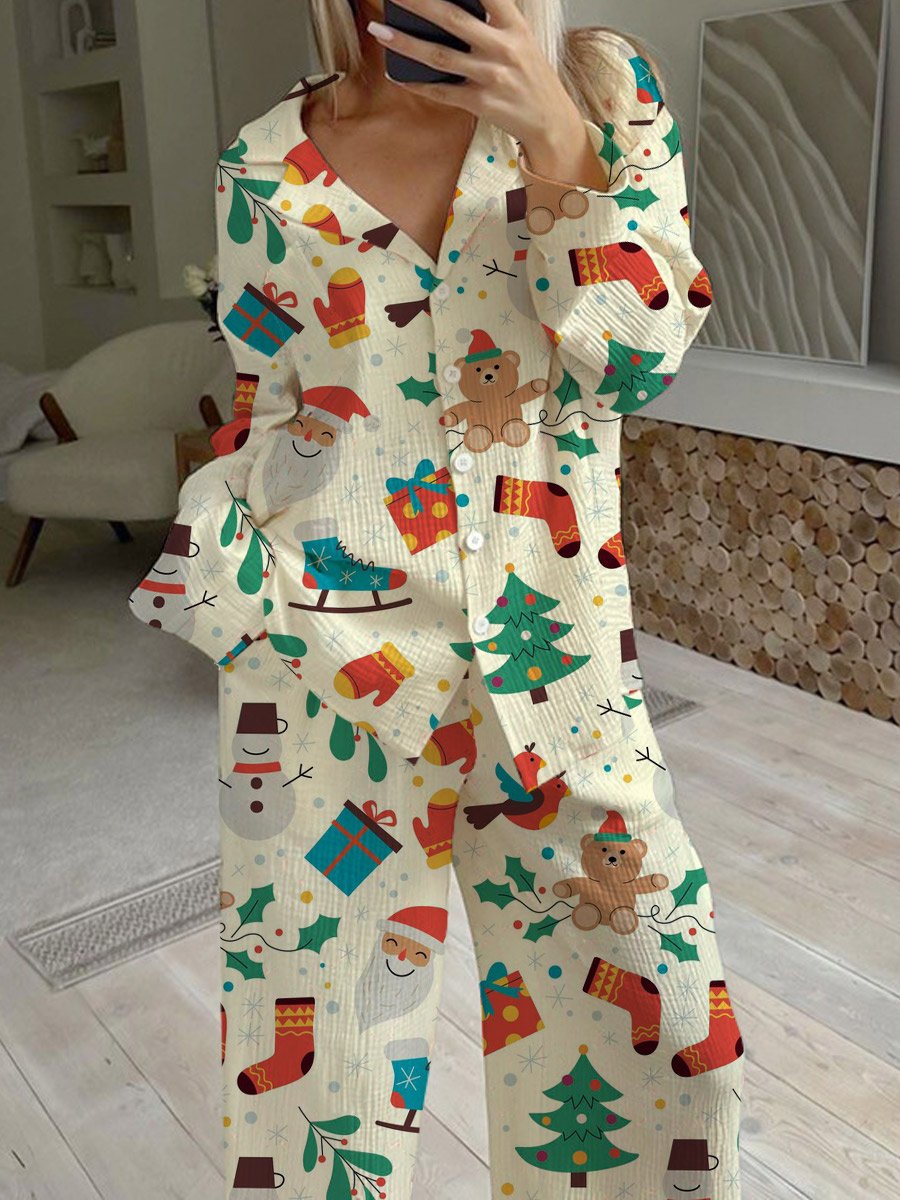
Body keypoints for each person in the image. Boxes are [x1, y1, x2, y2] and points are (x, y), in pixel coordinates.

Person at [129, 1, 744, 1196]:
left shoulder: (607, 93)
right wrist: (227, 571)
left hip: (560, 668)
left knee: (665, 1040)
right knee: (321, 1080)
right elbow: (267, 411)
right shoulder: (264, 162)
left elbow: (637, 363)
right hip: (326, 672)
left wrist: (555, 138)